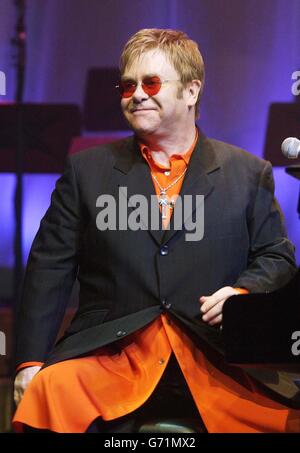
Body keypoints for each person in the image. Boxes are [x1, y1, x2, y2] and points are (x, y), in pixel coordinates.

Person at [13, 28, 299, 433]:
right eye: (128, 85)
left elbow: (276, 256)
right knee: (47, 393)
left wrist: (242, 294)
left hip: (214, 358)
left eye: (150, 83)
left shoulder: (248, 173)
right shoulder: (86, 170)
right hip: (111, 358)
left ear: (191, 92)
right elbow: (49, 268)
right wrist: (29, 362)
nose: (137, 94)